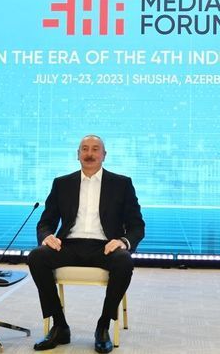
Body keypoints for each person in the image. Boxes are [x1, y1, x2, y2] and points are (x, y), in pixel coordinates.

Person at [28, 135, 145, 353]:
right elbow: (46, 222)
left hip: (105, 246)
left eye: (95, 149)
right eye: (84, 149)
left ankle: (103, 326)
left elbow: (137, 226)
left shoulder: (122, 184)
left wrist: (122, 241)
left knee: (124, 261)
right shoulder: (62, 183)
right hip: (69, 245)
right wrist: (47, 236)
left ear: (104, 155)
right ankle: (60, 326)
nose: (89, 154)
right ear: (78, 154)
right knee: (37, 256)